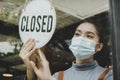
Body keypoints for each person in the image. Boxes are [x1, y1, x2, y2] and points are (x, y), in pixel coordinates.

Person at [19, 19, 113, 80]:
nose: (81, 39)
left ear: (99, 46)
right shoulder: (58, 76)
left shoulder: (110, 75)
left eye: (89, 36)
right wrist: (30, 70)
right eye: (77, 34)